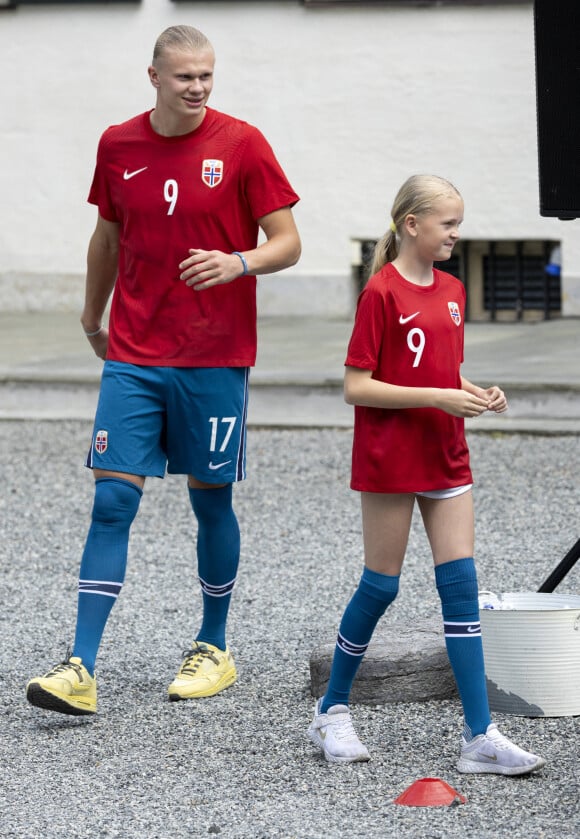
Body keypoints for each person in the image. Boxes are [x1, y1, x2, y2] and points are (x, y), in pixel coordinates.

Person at [26, 25, 300, 716]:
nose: (199, 87)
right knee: (113, 498)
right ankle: (80, 666)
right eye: (185, 77)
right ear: (153, 76)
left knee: (210, 500)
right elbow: (108, 236)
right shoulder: (118, 144)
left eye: (207, 75)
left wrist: (238, 261)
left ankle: (213, 646)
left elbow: (289, 242)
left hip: (215, 354)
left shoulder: (243, 144)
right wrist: (93, 317)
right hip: (136, 352)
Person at [307, 175, 545, 776]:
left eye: (458, 222)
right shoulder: (380, 294)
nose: (456, 233)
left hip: (446, 453)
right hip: (391, 454)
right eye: (447, 223)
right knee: (381, 587)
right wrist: (439, 396)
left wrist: (473, 390)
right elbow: (355, 385)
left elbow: (444, 368)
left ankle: (479, 735)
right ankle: (331, 710)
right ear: (412, 224)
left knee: (460, 587)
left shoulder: (455, 290)